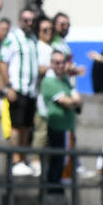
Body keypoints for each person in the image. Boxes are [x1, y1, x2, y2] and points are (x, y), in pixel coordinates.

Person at [0, 6, 43, 175]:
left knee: (26, 126)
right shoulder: (13, 38)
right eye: (26, 20)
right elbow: (3, 62)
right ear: (20, 21)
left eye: (32, 20)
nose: (29, 23)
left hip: (31, 90)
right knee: (16, 126)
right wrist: (8, 86)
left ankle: (23, 158)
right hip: (17, 88)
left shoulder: (33, 39)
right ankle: (16, 159)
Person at [38, 49, 83, 194]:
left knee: (65, 163)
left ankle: (58, 191)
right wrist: (73, 101)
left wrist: (73, 101)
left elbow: (78, 101)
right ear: (51, 64)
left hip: (68, 127)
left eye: (63, 63)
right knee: (57, 162)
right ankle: (53, 192)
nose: (60, 66)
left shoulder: (64, 80)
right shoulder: (49, 81)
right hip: (57, 127)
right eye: (57, 63)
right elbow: (67, 102)